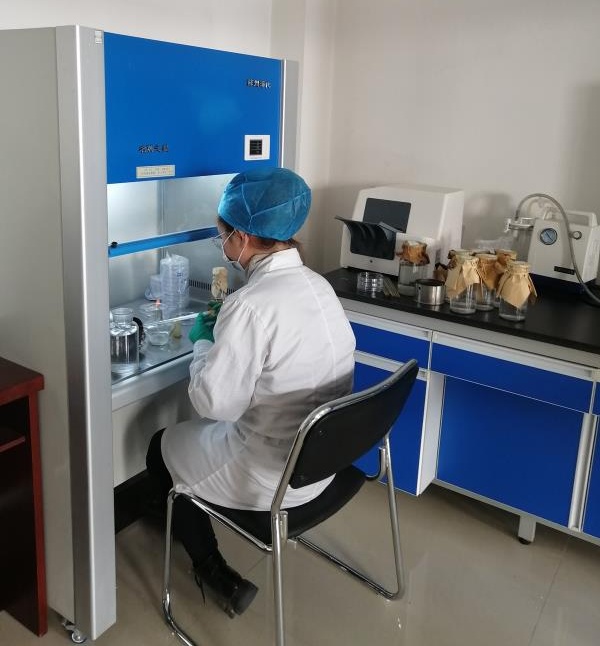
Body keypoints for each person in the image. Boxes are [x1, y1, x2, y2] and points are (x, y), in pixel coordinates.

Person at [146, 167, 356, 617]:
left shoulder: (250, 306)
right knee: (197, 441)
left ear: (241, 237)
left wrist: (204, 342)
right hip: (323, 463)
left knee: (159, 446)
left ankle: (211, 568)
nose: (222, 246)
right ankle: (189, 519)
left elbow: (213, 405)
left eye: (221, 237)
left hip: (270, 477)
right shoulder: (317, 286)